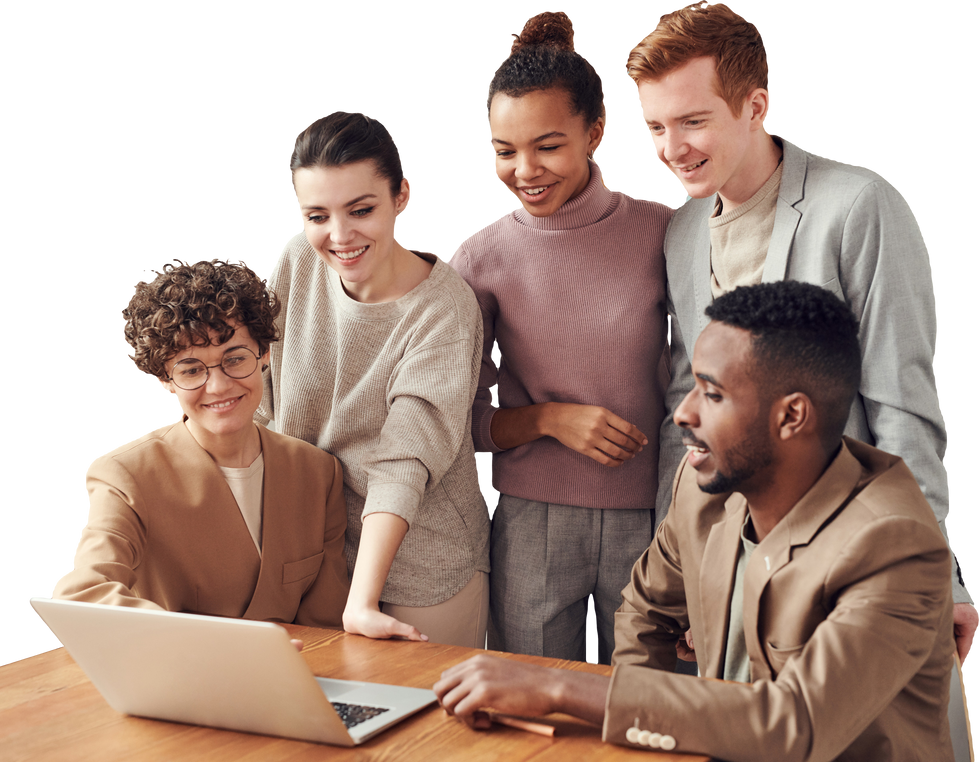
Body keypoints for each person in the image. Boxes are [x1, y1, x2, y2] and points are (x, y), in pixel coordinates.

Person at [435, 281, 955, 762]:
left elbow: (796, 724)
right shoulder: (704, 488)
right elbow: (644, 611)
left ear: (791, 416)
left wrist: (560, 687)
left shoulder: (895, 544)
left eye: (712, 393)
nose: (682, 413)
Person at [625, 0, 978, 660]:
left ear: (755, 108)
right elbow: (690, 417)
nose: (669, 148)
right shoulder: (680, 233)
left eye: (691, 121)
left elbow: (903, 407)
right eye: (652, 127)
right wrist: (685, 582)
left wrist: (939, 578)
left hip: (851, 549)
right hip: (733, 557)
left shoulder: (855, 209)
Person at [448, 10, 673, 662]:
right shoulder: (477, 260)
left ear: (593, 133)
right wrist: (547, 419)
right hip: (528, 521)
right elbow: (460, 420)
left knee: (653, 705)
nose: (525, 169)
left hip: (653, 516)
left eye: (547, 145)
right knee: (535, 714)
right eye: (502, 150)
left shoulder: (666, 236)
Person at [256, 109, 490, 648]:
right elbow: (261, 397)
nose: (339, 236)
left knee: (428, 726)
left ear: (401, 196)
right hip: (315, 548)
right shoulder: (297, 262)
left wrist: (361, 598)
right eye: (317, 216)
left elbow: (406, 455)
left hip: (422, 561)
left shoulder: (444, 307)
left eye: (361, 210)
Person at [52, 258, 349, 628]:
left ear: (264, 353)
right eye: (192, 369)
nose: (219, 386)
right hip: (178, 680)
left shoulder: (319, 473)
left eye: (235, 359)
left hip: (302, 678)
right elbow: (84, 594)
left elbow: (327, 623)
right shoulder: (124, 474)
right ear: (165, 377)